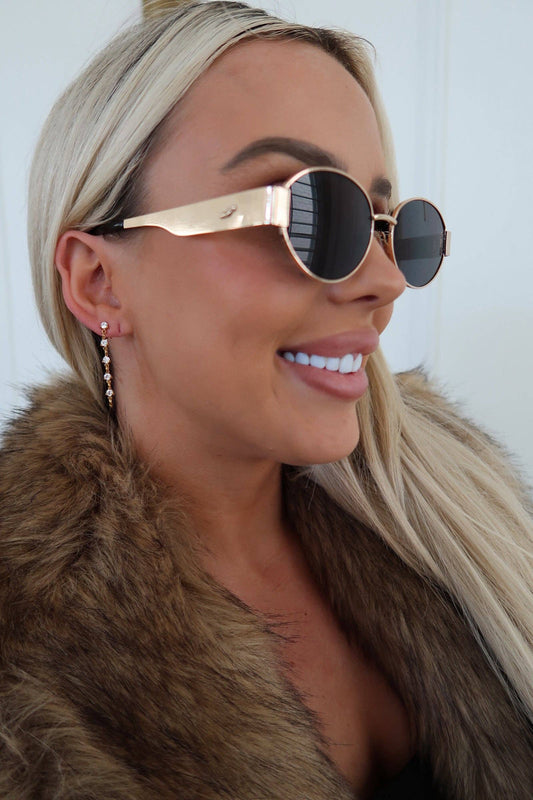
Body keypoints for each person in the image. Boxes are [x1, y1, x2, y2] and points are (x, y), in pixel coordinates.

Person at [0, 2, 531, 798]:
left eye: (390, 224)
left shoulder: (460, 508)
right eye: (310, 212)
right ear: (97, 280)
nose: (385, 283)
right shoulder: (22, 659)